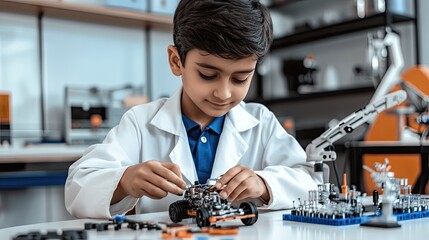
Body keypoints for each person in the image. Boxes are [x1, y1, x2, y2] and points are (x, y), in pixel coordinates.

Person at [65, 0, 324, 219]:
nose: (223, 93)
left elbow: (312, 184)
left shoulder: (261, 123)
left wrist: (264, 184)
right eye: (208, 75)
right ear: (176, 61)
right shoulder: (141, 123)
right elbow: (77, 187)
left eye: (240, 79)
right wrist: (125, 180)